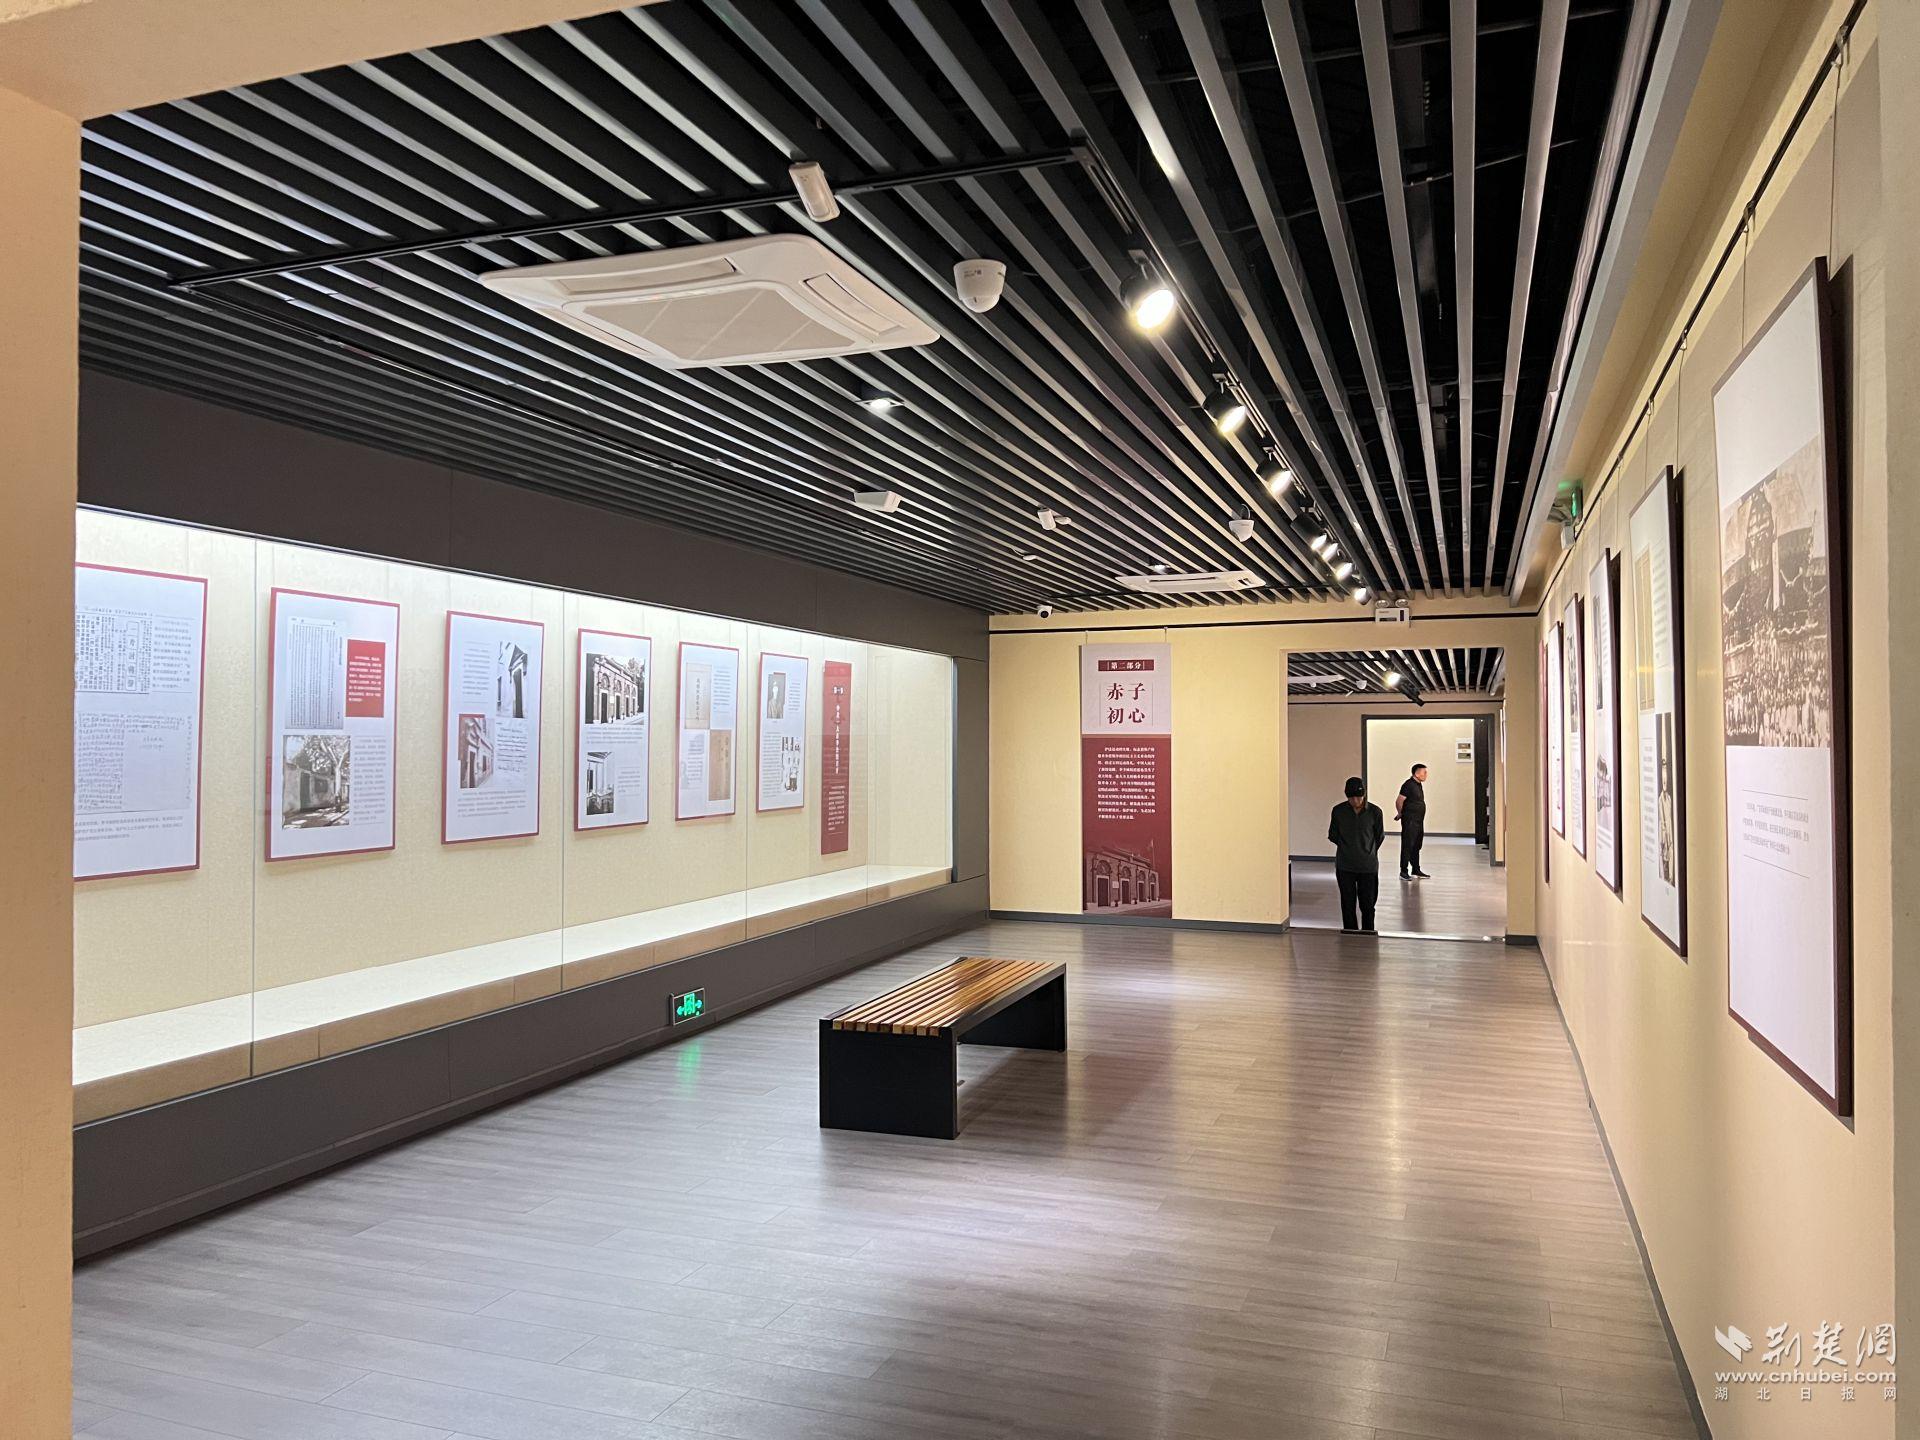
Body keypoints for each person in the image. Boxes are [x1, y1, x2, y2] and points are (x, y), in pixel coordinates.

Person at [1327, 776, 1385, 933]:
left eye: (1358, 797)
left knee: (1368, 904)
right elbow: (1333, 835)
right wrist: (1348, 847)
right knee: (1347, 903)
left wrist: (1367, 850)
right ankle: (1350, 934)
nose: (1355, 801)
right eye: (1351, 798)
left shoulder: (1375, 812)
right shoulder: (1338, 811)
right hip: (1345, 865)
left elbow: (1379, 836)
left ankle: (1368, 933)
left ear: (1364, 794)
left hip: (1368, 866)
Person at [1396, 763, 1431, 879]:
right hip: (1410, 821)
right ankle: (1403, 871)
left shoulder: (1418, 784)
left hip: (1418, 821)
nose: (1426, 774)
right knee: (1407, 845)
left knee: (1416, 845)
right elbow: (1399, 801)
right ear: (1417, 773)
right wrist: (1401, 813)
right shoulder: (1408, 785)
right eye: (1424, 772)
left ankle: (1416, 869)